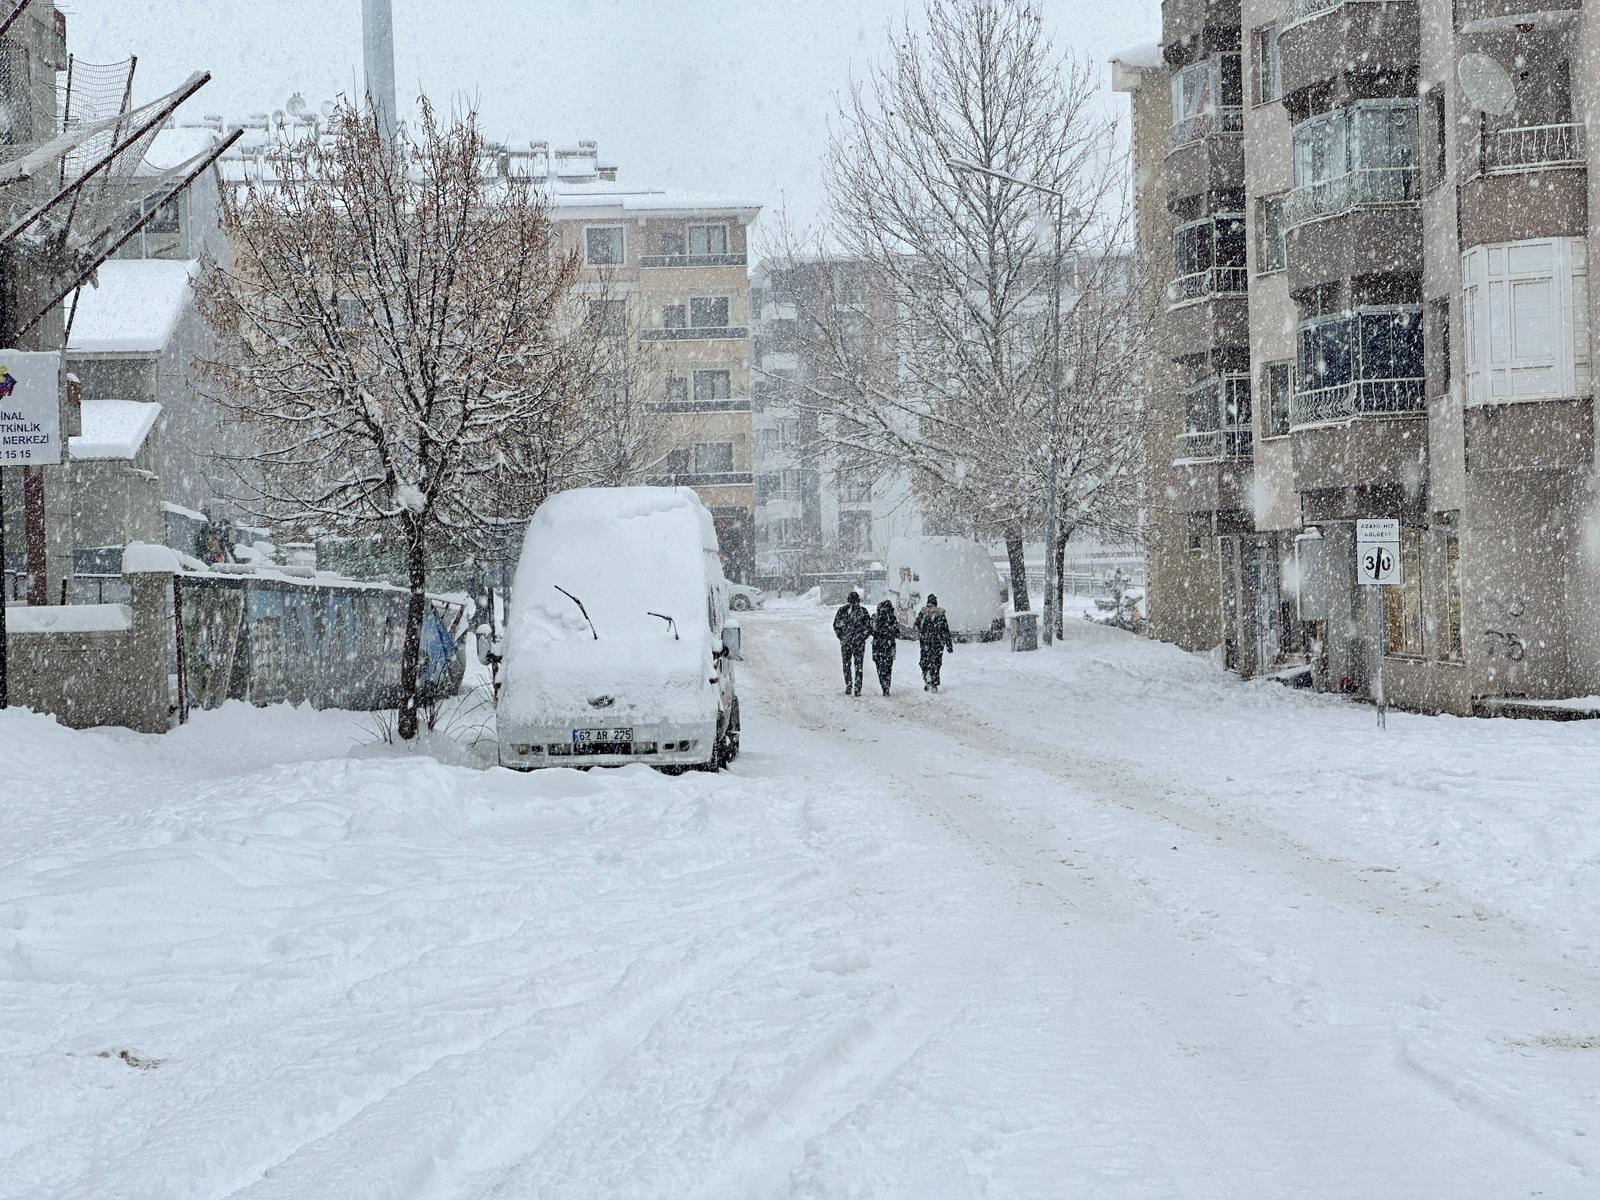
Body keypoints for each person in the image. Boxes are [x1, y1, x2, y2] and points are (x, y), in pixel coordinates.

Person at [832, 590, 872, 696]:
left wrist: (843, 637)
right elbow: (836, 625)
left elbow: (868, 628)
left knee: (849, 666)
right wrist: (843, 637)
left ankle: (851, 686)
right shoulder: (860, 611)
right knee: (856, 666)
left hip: (851, 643)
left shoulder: (846, 611)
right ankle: (854, 687)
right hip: (853, 643)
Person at [914, 593, 954, 692]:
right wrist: (949, 645)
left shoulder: (923, 613)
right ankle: (934, 683)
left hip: (925, 643)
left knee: (924, 662)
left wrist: (920, 635)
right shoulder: (941, 614)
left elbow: (916, 626)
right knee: (936, 663)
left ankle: (927, 678)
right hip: (938, 644)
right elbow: (946, 630)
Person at [869, 599, 899, 696]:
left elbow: (871, 631)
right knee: (888, 668)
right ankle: (886, 687)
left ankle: (883, 685)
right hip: (889, 646)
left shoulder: (875, 617)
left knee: (880, 668)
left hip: (877, 646)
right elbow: (897, 632)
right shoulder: (892, 619)